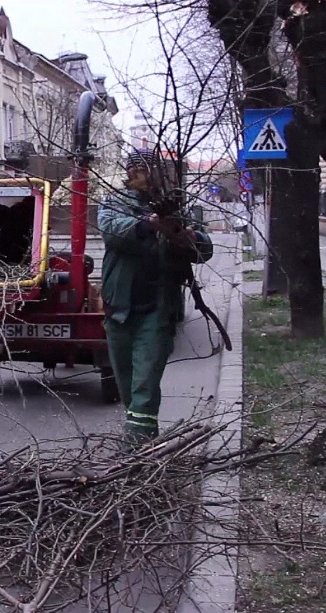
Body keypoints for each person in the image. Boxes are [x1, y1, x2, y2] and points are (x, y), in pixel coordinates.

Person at [97, 148, 214, 444]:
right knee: (126, 385)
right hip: (119, 307)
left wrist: (186, 236)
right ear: (127, 172)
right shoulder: (115, 202)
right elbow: (113, 232)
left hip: (157, 308)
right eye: (136, 168)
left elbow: (204, 247)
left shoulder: (175, 206)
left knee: (144, 386)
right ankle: (141, 435)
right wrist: (148, 224)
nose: (142, 174)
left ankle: (138, 449)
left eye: (147, 168)